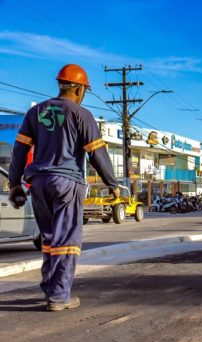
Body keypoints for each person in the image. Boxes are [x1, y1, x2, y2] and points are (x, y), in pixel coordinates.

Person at [8, 64, 119, 312]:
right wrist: (113, 184)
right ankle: (59, 296)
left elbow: (20, 150)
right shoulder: (82, 115)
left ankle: (50, 287)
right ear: (79, 88)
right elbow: (97, 154)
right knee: (67, 239)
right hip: (66, 182)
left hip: (38, 182)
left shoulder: (35, 112)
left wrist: (14, 183)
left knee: (48, 238)